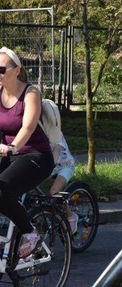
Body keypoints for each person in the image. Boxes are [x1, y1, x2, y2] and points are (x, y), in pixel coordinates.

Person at [0, 47, 54, 258]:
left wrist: (14, 147)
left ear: (17, 70)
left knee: (1, 191)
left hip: (35, 155)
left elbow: (28, 127)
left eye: (1, 69)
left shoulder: (31, 93)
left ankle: (30, 233)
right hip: (7, 156)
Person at [49, 135, 79, 233]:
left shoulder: (55, 131)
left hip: (65, 165)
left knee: (54, 192)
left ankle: (71, 216)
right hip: (47, 167)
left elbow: (57, 150)